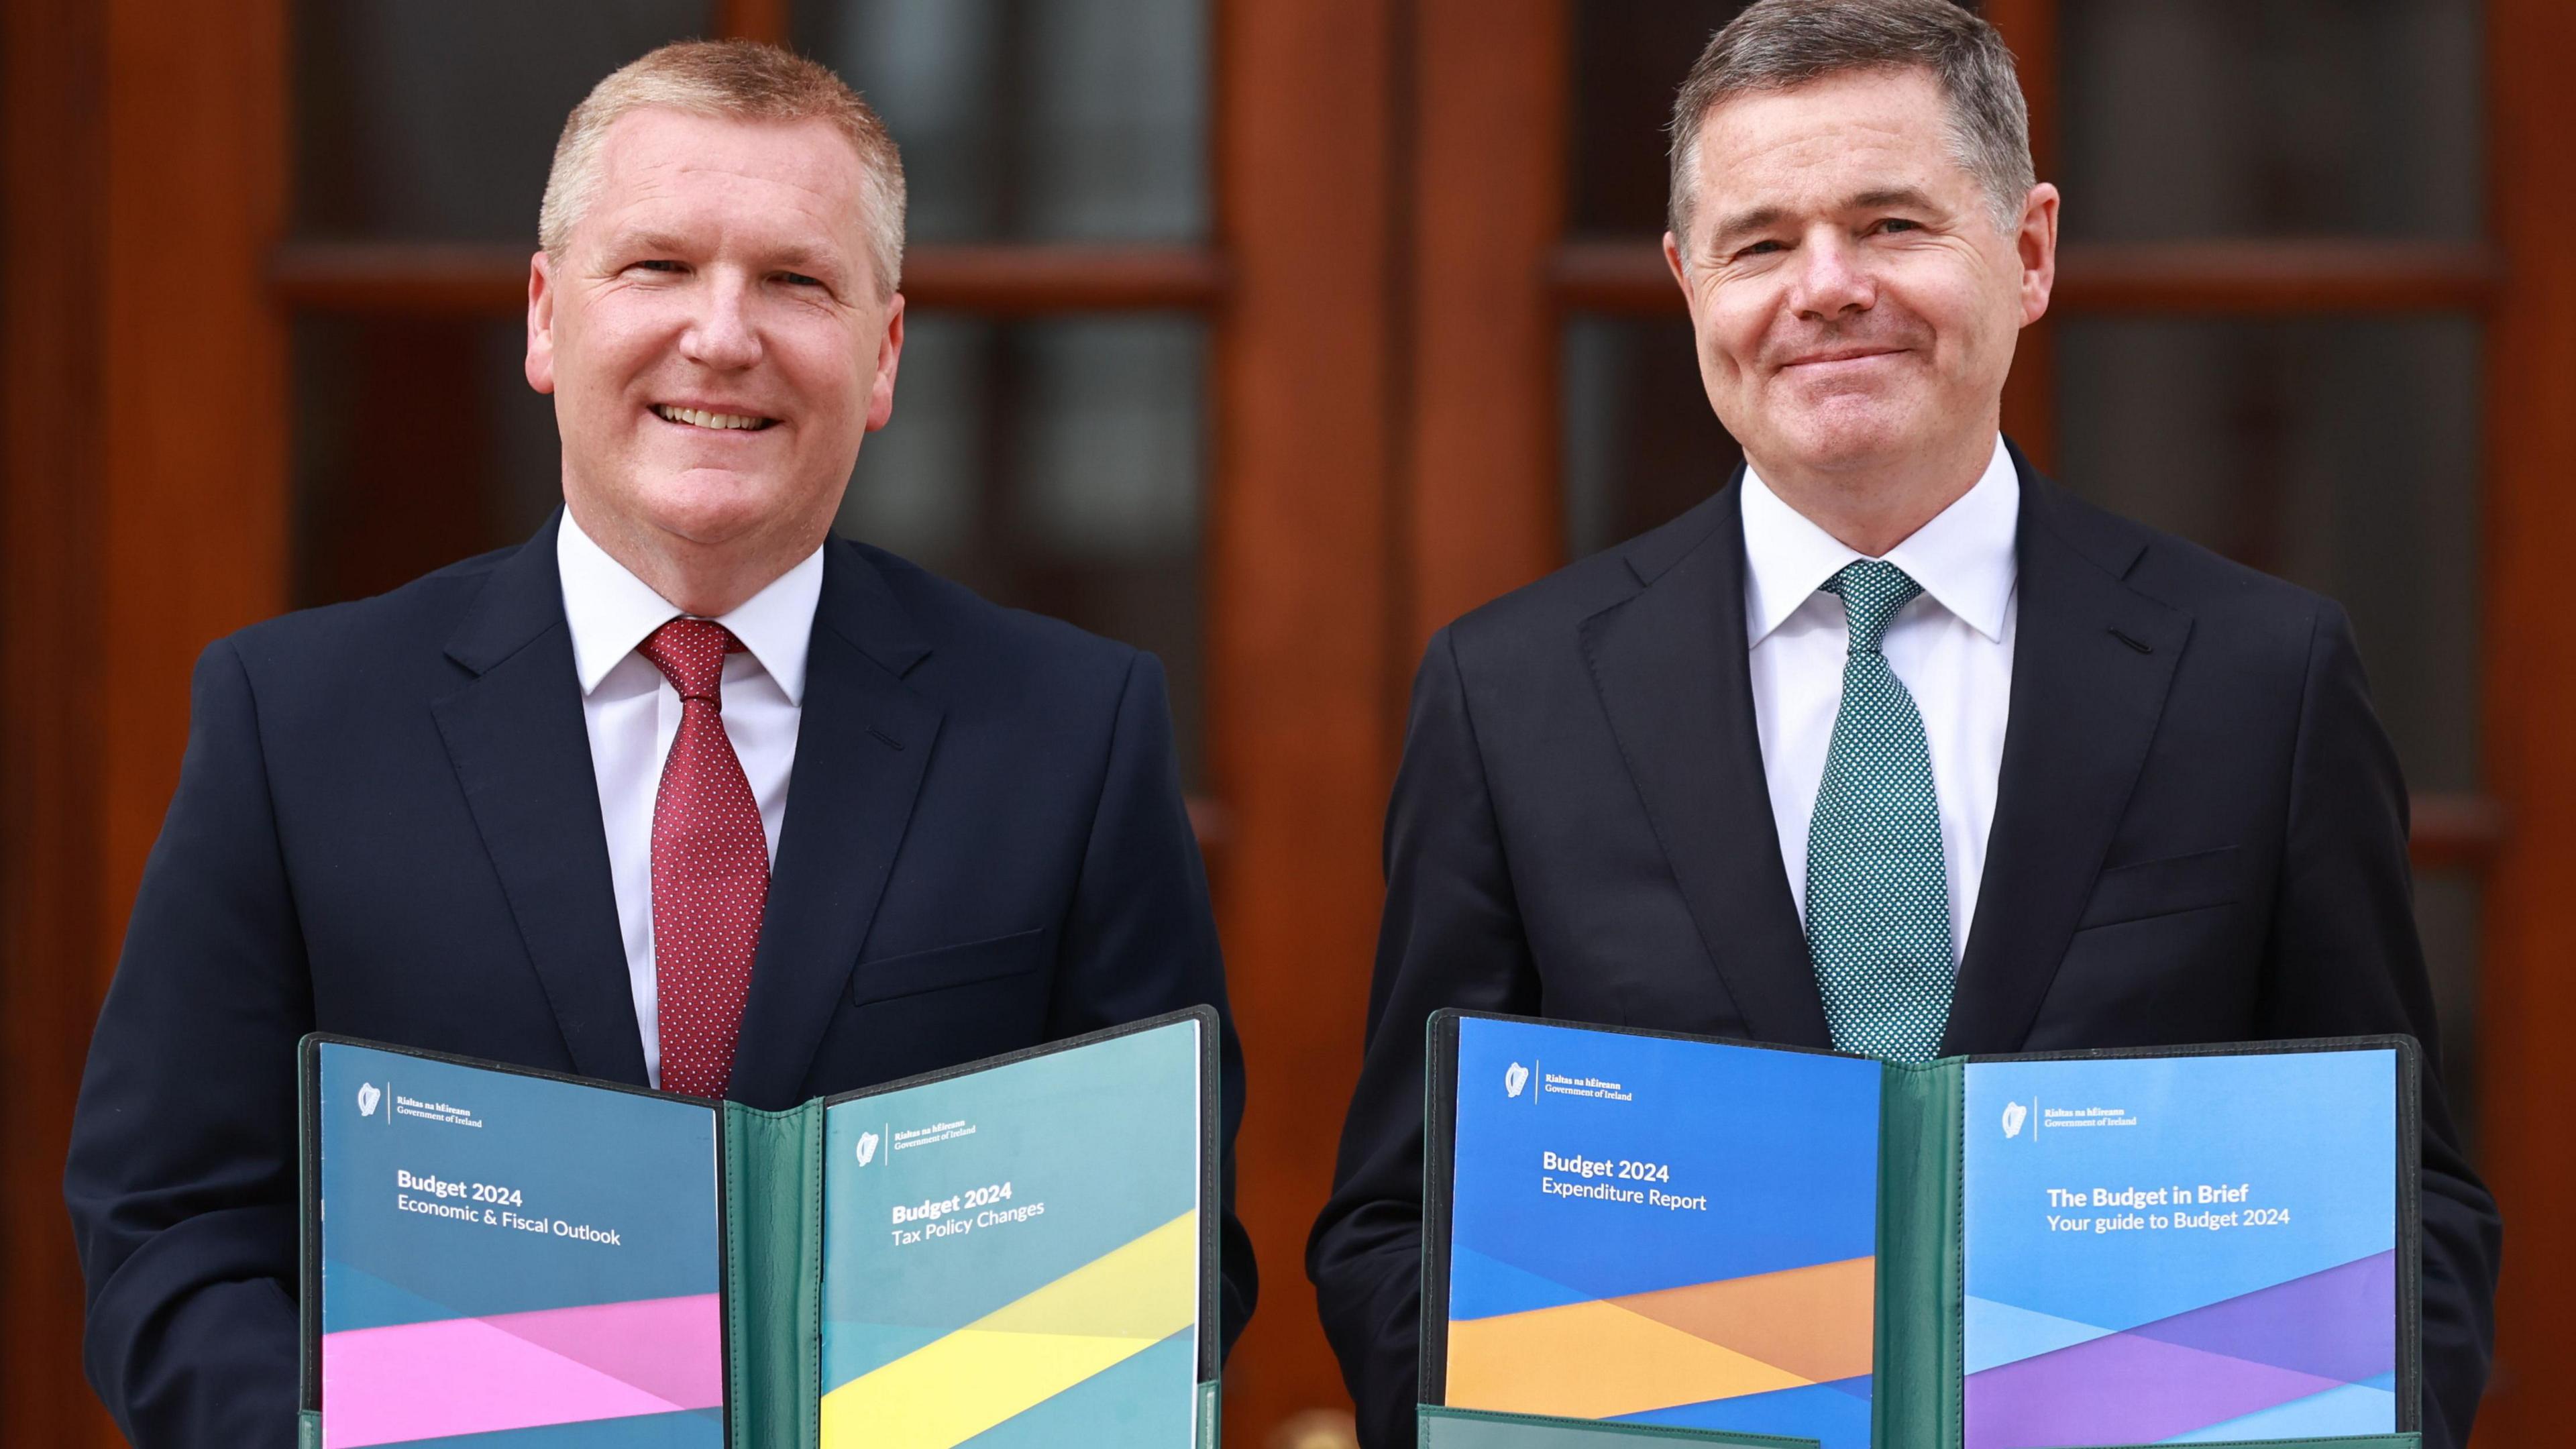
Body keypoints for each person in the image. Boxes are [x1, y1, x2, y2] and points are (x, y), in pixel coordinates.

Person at [1305, 2, 2499, 1446]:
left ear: (2031, 251)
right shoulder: (1513, 695)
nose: (1827, 289)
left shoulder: (2262, 676)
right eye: (1761, 244)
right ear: (1690, 284)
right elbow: (1397, 1220)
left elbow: (2404, 1202)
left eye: (1890, 225)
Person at [65, 40, 1252, 1445]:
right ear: (546, 317)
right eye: (658, 267)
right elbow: (172, 1232)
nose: (723, 335)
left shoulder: (1070, 730)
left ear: (881, 356)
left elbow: (1167, 1252)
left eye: (797, 281)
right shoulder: (297, 719)